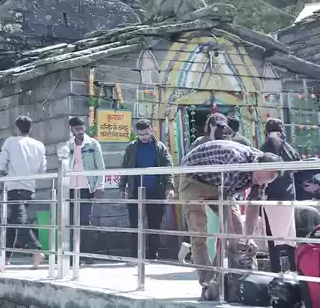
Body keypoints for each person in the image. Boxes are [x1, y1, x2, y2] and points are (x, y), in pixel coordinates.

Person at [179, 113, 281, 300]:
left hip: (220, 182)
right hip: (193, 178)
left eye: (266, 181)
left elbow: (252, 206)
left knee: (239, 231)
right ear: (255, 168)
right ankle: (208, 282)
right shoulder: (238, 164)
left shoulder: (264, 170)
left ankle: (238, 278)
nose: (260, 182)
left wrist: (247, 239)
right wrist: (232, 238)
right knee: (200, 233)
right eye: (259, 178)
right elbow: (225, 219)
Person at [119, 119, 175, 261]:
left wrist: (169, 186)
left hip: (155, 191)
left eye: (146, 133)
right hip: (135, 192)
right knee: (135, 225)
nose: (144, 137)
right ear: (136, 133)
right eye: (141, 134)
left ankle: (153, 255)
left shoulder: (160, 147)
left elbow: (168, 167)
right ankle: (134, 255)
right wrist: (122, 188)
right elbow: (125, 169)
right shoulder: (131, 148)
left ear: (151, 130)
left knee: (154, 225)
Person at [0, 115, 47, 268]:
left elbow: (0, 164)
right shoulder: (39, 145)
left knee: (19, 220)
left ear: (17, 128)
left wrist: (6, 170)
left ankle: (37, 250)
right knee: (13, 223)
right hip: (29, 188)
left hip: (14, 186)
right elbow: (43, 169)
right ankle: (5, 259)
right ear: (30, 129)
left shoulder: (10, 141)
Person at [259, 118, 302, 273]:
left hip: (271, 196)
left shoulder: (264, 148)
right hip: (288, 195)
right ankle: (294, 269)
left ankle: (276, 271)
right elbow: (298, 165)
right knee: (290, 235)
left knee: (272, 237)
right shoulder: (287, 147)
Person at [66, 116, 105, 255]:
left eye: (82, 128)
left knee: (84, 220)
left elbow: (100, 166)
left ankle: (86, 253)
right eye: (77, 129)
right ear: (71, 130)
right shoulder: (68, 146)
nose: (80, 131)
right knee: (71, 221)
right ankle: (72, 253)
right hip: (70, 188)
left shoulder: (93, 144)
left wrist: (100, 186)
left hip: (87, 187)